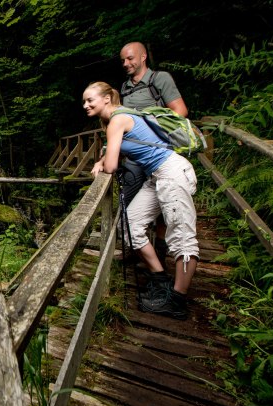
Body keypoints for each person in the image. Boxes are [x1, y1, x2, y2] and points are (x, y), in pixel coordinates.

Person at [84, 81, 198, 320]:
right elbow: (111, 149)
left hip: (171, 173)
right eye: (84, 101)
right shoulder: (118, 117)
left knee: (182, 236)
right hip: (157, 176)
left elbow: (113, 165)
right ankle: (160, 278)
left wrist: (103, 163)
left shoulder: (117, 119)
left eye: (90, 100)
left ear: (106, 99)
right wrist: (100, 159)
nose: (86, 105)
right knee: (132, 224)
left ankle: (177, 300)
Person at [119, 41, 188, 268]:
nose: (126, 63)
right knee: (130, 201)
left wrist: (152, 127)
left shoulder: (160, 80)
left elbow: (180, 111)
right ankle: (135, 247)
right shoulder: (125, 88)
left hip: (160, 153)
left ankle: (160, 249)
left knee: (161, 205)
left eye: (130, 58)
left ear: (143, 57)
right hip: (133, 158)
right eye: (123, 60)